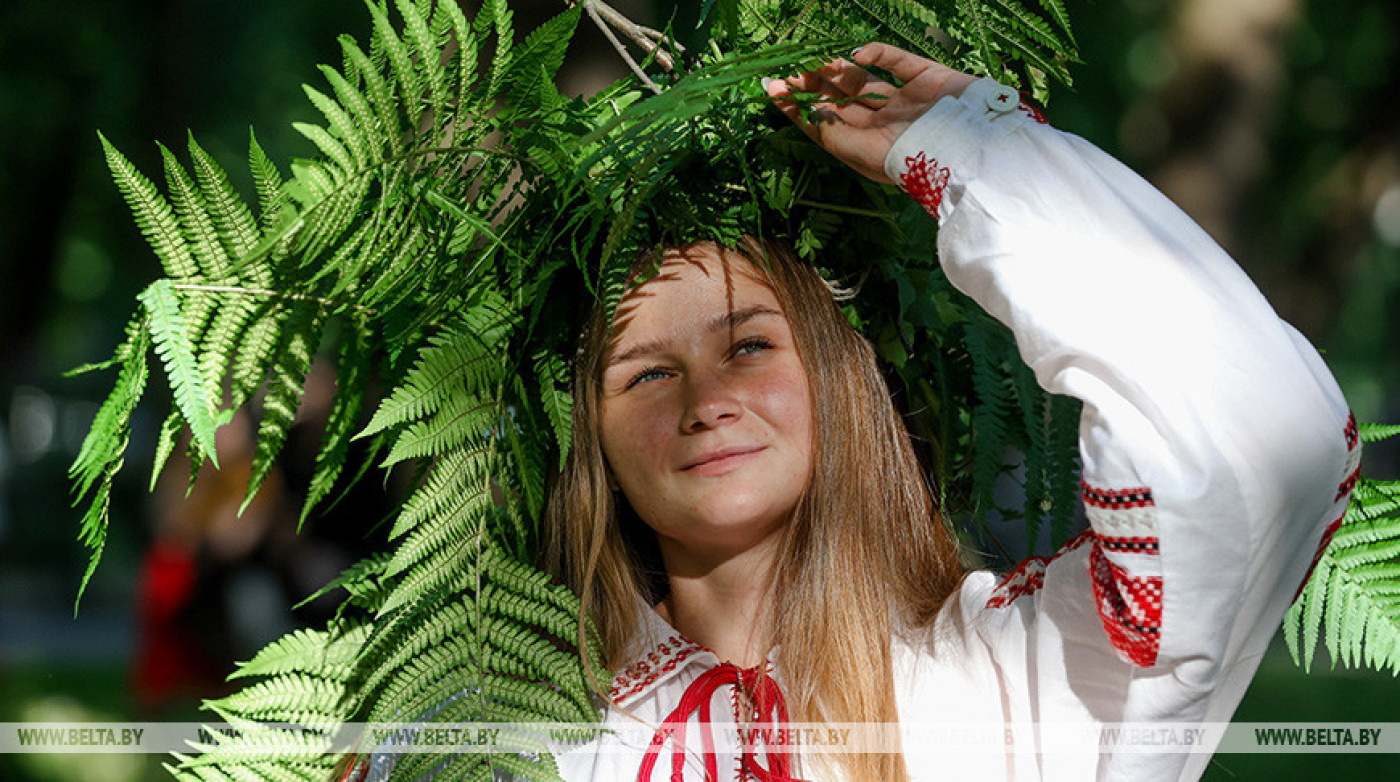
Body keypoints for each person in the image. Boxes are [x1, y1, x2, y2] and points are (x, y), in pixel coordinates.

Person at [364, 43, 1360, 782]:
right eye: (643, 374)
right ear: (593, 445)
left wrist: (980, 156)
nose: (707, 401)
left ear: (839, 379)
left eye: (747, 344)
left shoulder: (1019, 689)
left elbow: (1265, 439)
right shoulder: (491, 737)